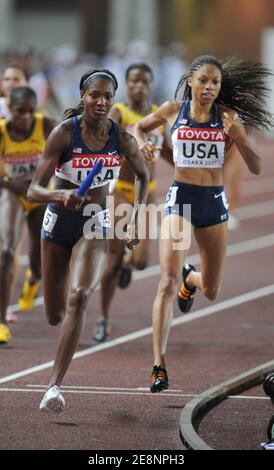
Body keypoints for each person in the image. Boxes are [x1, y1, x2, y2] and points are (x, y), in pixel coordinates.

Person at [134, 55, 273, 392]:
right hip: (180, 198)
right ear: (191, 81)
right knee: (165, 283)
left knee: (211, 289)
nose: (209, 87)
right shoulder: (172, 109)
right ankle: (158, 366)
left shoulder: (227, 118)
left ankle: (191, 279)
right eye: (204, 81)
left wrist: (239, 137)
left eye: (215, 82)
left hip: (213, 203)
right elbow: (139, 127)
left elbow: (255, 167)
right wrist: (143, 144)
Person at [27, 69, 149, 412]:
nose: (101, 101)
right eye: (95, 95)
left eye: (108, 96)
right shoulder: (63, 135)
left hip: (96, 223)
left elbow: (143, 175)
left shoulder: (121, 140)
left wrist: (134, 218)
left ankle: (53, 386)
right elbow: (33, 190)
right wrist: (59, 198)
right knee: (53, 315)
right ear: (83, 95)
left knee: (79, 298)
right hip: (57, 225)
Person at [93, 62, 173, 342]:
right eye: (134, 82)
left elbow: (169, 154)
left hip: (146, 192)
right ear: (126, 86)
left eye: (144, 81)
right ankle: (103, 318)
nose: (139, 86)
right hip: (122, 189)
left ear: (152, 85)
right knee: (113, 259)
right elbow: (102, 143)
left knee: (140, 262)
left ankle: (128, 262)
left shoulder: (156, 116)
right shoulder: (119, 113)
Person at [0, 86, 55, 344]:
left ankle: (33, 278)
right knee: (7, 251)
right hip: (14, 193)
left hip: (40, 194)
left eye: (30, 112)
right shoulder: (2, 131)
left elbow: (65, 151)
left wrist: (40, 181)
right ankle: (1, 321)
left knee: (38, 262)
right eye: (20, 112)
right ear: (10, 110)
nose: (25, 117)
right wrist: (13, 182)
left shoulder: (45, 125)